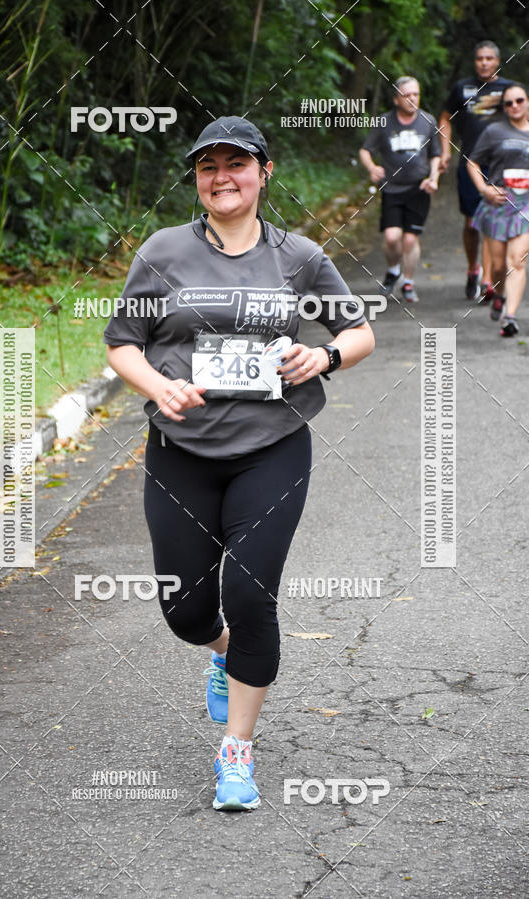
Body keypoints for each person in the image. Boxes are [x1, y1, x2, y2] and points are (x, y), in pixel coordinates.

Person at [103, 115, 375, 811]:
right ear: (197, 178)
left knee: (251, 595)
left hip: (273, 448)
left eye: (236, 163)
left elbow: (359, 329)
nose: (221, 177)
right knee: (185, 608)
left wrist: (326, 355)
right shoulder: (162, 252)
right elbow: (122, 342)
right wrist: (158, 384)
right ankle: (220, 650)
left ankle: (236, 750)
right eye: (207, 167)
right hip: (180, 450)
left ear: (264, 172)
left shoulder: (300, 258)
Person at [439, 41, 512, 300]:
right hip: (471, 163)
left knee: (491, 220)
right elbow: (445, 119)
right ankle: (473, 268)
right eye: (479, 58)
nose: (484, 62)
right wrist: (446, 152)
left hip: (501, 164)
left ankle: (487, 280)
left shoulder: (509, 90)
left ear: (497, 61)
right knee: (471, 224)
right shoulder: (462, 88)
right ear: (475, 61)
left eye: (489, 58)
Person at [359, 76, 441, 303]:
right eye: (407, 95)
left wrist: (433, 178)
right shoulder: (384, 122)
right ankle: (393, 269)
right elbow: (365, 150)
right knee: (392, 236)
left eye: (416, 94)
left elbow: (436, 154)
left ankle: (408, 281)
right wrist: (372, 167)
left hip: (418, 188)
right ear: (396, 99)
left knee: (410, 240)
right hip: (392, 188)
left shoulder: (428, 120)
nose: (412, 98)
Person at [467, 83, 529, 337]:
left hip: (526, 203)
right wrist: (484, 189)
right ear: (503, 107)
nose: (514, 106)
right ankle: (500, 295)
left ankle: (510, 317)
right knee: (497, 267)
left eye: (519, 100)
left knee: (517, 260)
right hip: (499, 202)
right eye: (508, 103)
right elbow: (473, 161)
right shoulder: (494, 131)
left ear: (527, 102)